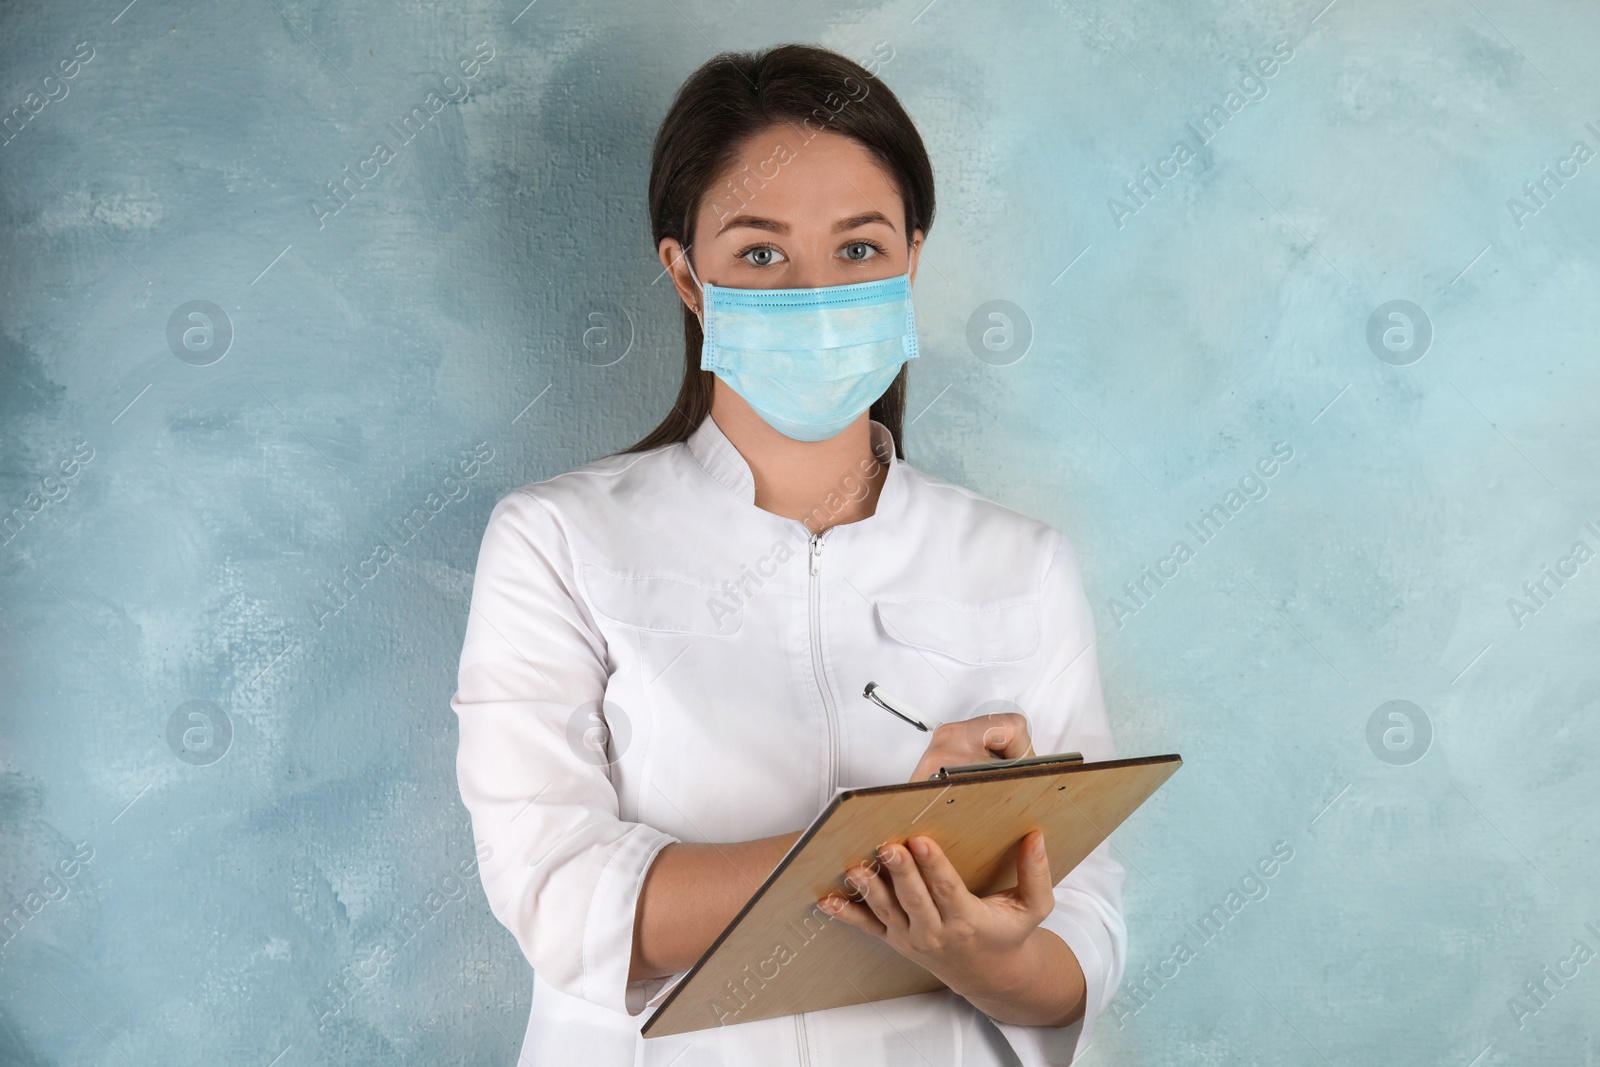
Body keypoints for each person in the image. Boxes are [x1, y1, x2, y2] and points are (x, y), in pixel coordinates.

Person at [451, 42, 1125, 1067]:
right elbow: (558, 888)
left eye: (857, 250)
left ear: (910, 258)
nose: (815, 291)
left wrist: (987, 957)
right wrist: (888, 848)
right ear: (686, 275)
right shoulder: (558, 540)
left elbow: (1082, 924)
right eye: (761, 253)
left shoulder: (1018, 562)